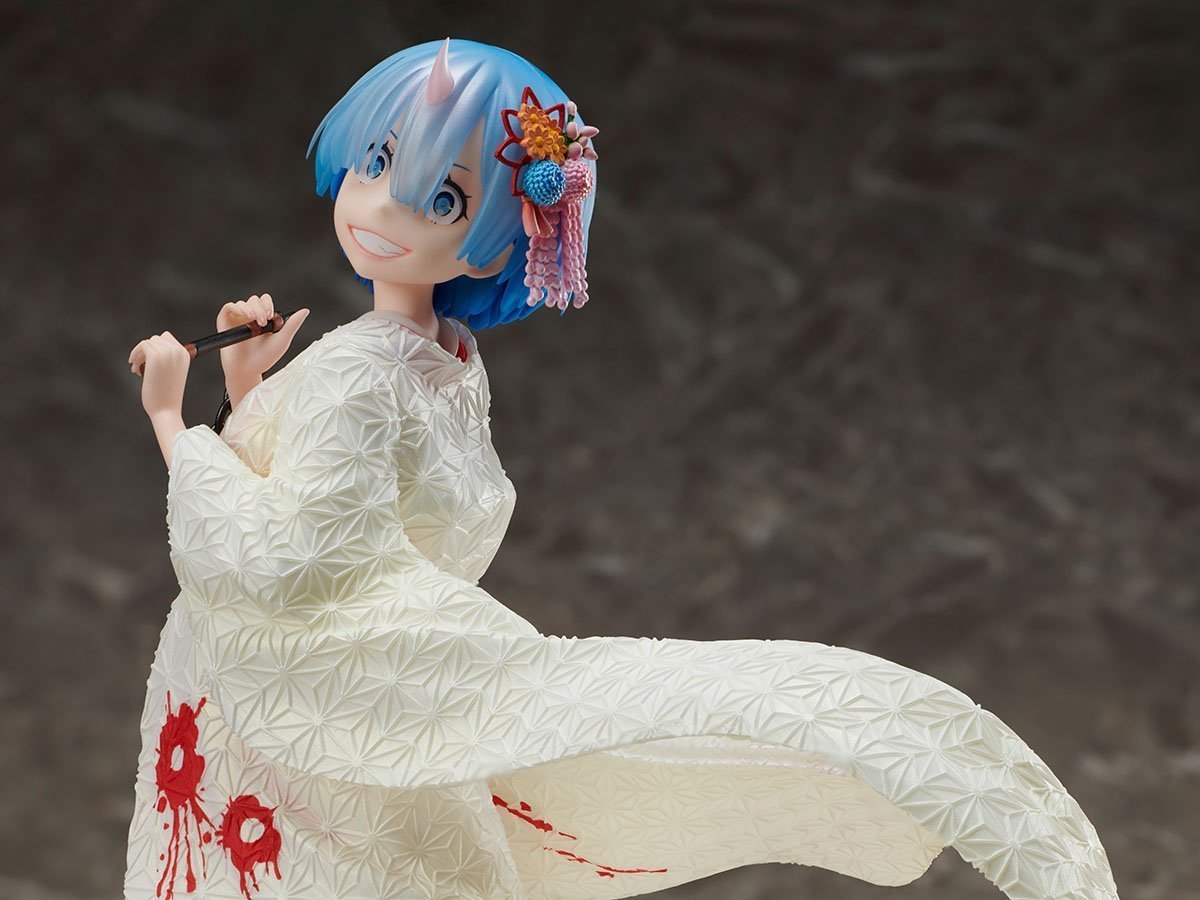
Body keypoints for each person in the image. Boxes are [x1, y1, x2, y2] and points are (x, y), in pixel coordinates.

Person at [124, 38, 1119, 900]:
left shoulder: (360, 368)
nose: (385, 206)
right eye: (378, 163)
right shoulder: (446, 363)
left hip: (298, 709)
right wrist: (250, 392)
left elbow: (289, 560)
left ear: (493, 246)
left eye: (444, 198)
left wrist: (176, 423)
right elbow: (384, 514)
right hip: (365, 704)